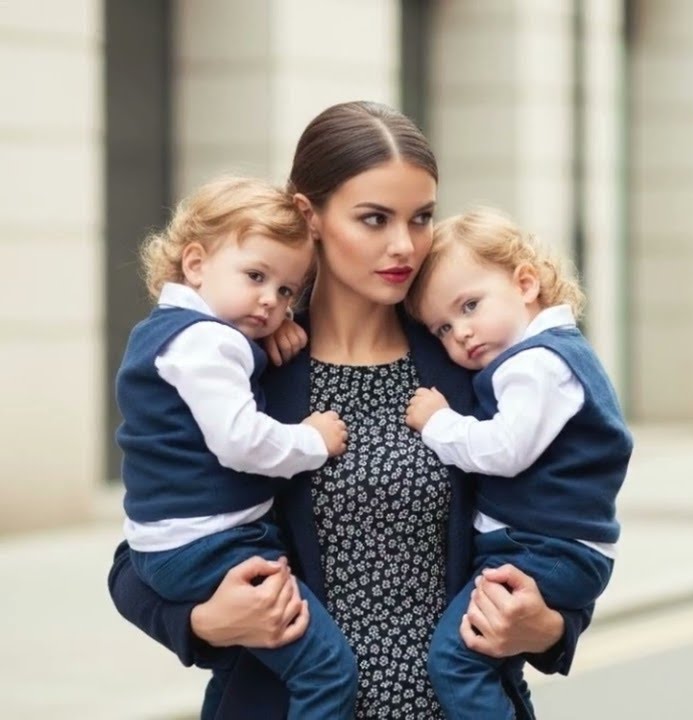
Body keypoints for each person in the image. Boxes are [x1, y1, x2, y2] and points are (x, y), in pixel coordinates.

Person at [107, 101, 591, 720]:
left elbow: (561, 525)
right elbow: (138, 559)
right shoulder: (242, 371)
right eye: (373, 218)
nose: (404, 245)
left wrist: (548, 627)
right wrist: (203, 620)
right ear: (310, 217)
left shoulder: (472, 370)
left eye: (420, 219)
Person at [117, 176, 356, 718]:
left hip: (171, 543)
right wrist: (312, 440)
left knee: (237, 673)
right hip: (214, 544)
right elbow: (240, 440)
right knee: (326, 671)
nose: (271, 301)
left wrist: (258, 336)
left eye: (288, 291)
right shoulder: (210, 343)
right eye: (256, 276)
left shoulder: (169, 332)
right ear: (196, 264)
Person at [399, 207, 630, 719]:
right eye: (441, 327)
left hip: (543, 548)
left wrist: (438, 422)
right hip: (551, 546)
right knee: (490, 664)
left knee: (458, 660)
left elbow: (504, 450)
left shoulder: (535, 366)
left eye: (470, 305)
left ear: (525, 283)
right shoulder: (549, 355)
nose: (460, 333)